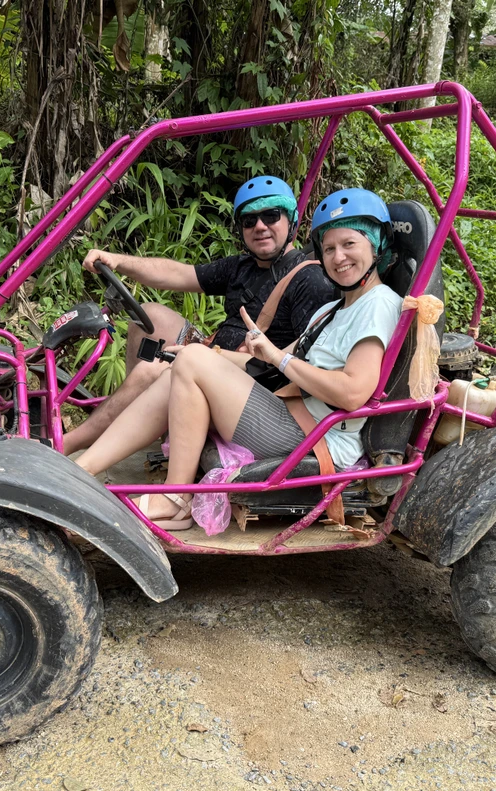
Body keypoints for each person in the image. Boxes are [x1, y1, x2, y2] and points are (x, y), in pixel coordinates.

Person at [75, 188, 403, 528]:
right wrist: (207, 353)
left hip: (316, 437)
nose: (338, 257)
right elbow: (269, 365)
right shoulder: (332, 309)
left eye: (350, 244)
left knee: (192, 363)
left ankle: (174, 500)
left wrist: (277, 358)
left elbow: (352, 393)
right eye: (330, 247)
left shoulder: (378, 304)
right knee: (181, 365)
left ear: (376, 245)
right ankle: (81, 470)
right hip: (290, 413)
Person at [60, 176, 337, 455]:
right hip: (216, 357)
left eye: (271, 216)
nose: (260, 227)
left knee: (151, 371)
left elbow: (301, 363)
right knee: (150, 317)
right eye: (249, 221)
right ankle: (136, 416)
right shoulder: (242, 266)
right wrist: (119, 261)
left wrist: (212, 358)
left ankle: (67, 444)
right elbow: (178, 273)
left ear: (291, 221)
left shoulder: (309, 281)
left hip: (257, 385)